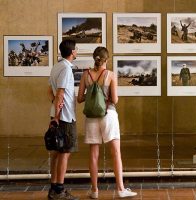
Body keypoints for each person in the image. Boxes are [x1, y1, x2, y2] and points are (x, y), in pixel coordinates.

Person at [77, 46, 137, 199]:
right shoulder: (110, 75)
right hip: (108, 114)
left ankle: (95, 191)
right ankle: (120, 189)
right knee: (115, 152)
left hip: (91, 117)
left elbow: (79, 99)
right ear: (107, 59)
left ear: (94, 58)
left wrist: (92, 94)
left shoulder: (86, 75)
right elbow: (115, 99)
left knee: (93, 154)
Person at [47, 39, 79, 200]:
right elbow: (60, 94)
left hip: (57, 115)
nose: (77, 51)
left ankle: (53, 189)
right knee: (65, 153)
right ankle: (59, 190)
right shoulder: (66, 69)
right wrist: (58, 117)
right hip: (65, 117)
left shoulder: (56, 66)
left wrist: (54, 113)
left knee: (56, 152)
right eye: (76, 49)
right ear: (72, 52)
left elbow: (49, 91)